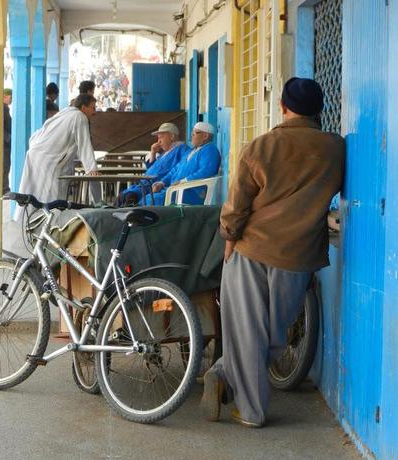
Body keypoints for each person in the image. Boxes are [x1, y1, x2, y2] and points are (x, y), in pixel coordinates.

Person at [200, 77, 345, 428]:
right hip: (299, 255)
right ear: (319, 110)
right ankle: (224, 376)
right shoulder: (336, 148)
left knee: (248, 332)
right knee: (275, 336)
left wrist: (229, 243)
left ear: (282, 106)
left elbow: (236, 206)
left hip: (253, 249)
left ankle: (248, 407)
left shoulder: (261, 146)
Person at [15, 94, 99, 219]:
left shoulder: (66, 112)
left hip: (37, 153)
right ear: (83, 107)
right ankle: (47, 223)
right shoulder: (79, 116)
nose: (94, 112)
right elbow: (84, 143)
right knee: (50, 196)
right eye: (92, 108)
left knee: (35, 193)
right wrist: (92, 169)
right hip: (47, 160)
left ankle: (36, 221)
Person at [148, 122, 221, 206]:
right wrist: (162, 182)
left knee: (155, 200)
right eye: (192, 133)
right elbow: (175, 169)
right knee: (150, 197)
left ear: (205, 136)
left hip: (190, 191)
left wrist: (183, 181)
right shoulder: (190, 151)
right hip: (175, 189)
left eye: (195, 133)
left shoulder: (210, 150)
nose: (191, 136)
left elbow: (206, 171)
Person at [117, 122, 189, 206]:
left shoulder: (181, 149)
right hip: (143, 184)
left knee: (129, 197)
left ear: (172, 137)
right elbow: (153, 168)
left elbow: (177, 170)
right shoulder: (164, 153)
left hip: (153, 186)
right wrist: (153, 153)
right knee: (122, 196)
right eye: (158, 138)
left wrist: (162, 183)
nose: (159, 141)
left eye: (161, 137)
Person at [2, 88, 12, 194]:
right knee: (5, 165)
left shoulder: (5, 108)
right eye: (10, 97)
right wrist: (8, 138)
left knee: (6, 165)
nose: (11, 100)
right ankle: (4, 189)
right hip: (4, 144)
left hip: (6, 143)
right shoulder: (3, 109)